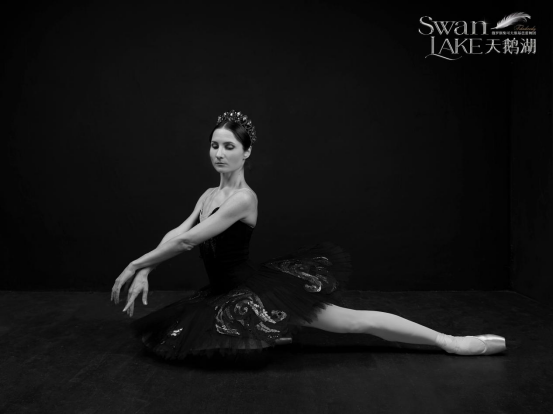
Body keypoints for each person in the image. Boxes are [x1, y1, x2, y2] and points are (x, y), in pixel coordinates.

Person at [111, 110, 506, 361]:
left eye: (229, 146)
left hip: (255, 289)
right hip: (222, 291)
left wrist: (134, 265)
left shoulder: (244, 199)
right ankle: (278, 334)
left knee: (351, 323)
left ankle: (449, 341)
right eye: (214, 145)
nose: (219, 153)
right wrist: (148, 269)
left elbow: (187, 242)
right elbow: (177, 232)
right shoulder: (209, 194)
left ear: (246, 153)